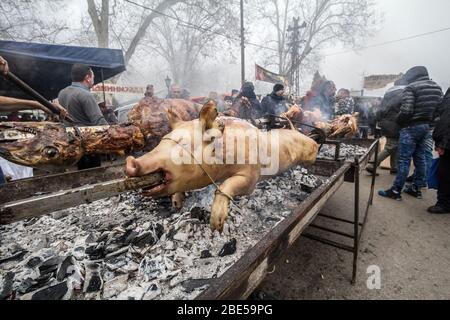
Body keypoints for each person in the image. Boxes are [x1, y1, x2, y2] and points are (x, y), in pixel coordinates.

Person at [379, 66, 443, 201]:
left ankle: (396, 191)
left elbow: (406, 110)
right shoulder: (437, 88)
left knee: (404, 160)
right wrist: (429, 122)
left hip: (410, 127)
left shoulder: (412, 87)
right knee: (420, 158)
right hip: (426, 127)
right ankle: (416, 188)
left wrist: (399, 121)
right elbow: (439, 111)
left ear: (412, 76)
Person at [58, 64, 108, 170]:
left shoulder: (62, 93)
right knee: (92, 176)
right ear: (87, 78)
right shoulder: (85, 95)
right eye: (93, 76)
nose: (93, 79)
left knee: (80, 174)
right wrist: (113, 131)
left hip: (70, 144)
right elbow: (99, 121)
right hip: (88, 145)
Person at [428, 87, 450, 214]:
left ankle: (444, 203)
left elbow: (447, 124)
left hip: (448, 146)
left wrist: (443, 145)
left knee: (445, 174)